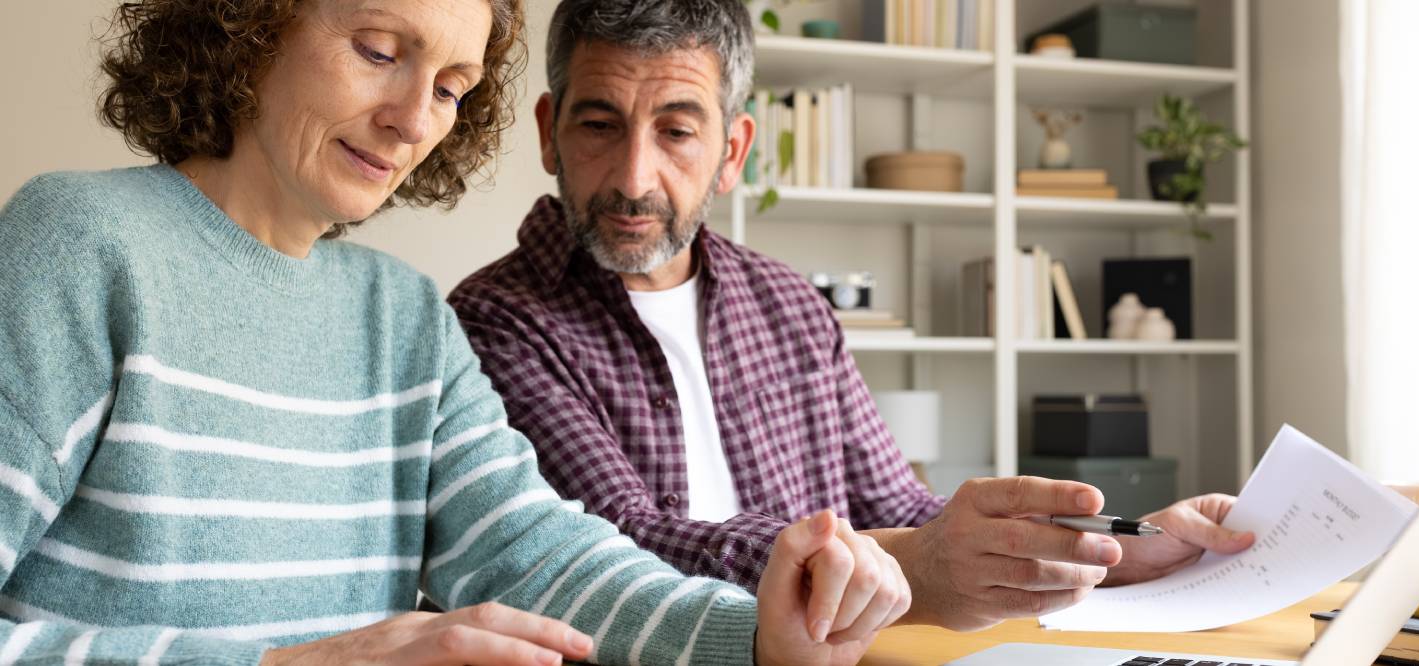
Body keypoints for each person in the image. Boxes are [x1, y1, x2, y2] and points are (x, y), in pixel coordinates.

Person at [0, 0, 909, 664]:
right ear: (256, 23)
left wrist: (750, 637)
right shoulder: (79, 247)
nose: (413, 119)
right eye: (377, 50)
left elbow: (532, 553)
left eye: (450, 86)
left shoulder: (404, 317)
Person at [446, 0, 1258, 633]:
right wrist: (897, 560)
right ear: (551, 133)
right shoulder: (490, 322)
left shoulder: (790, 304)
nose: (633, 175)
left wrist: (1124, 543)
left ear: (732, 151)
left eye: (677, 130)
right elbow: (626, 549)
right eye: (599, 125)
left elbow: (903, 515)